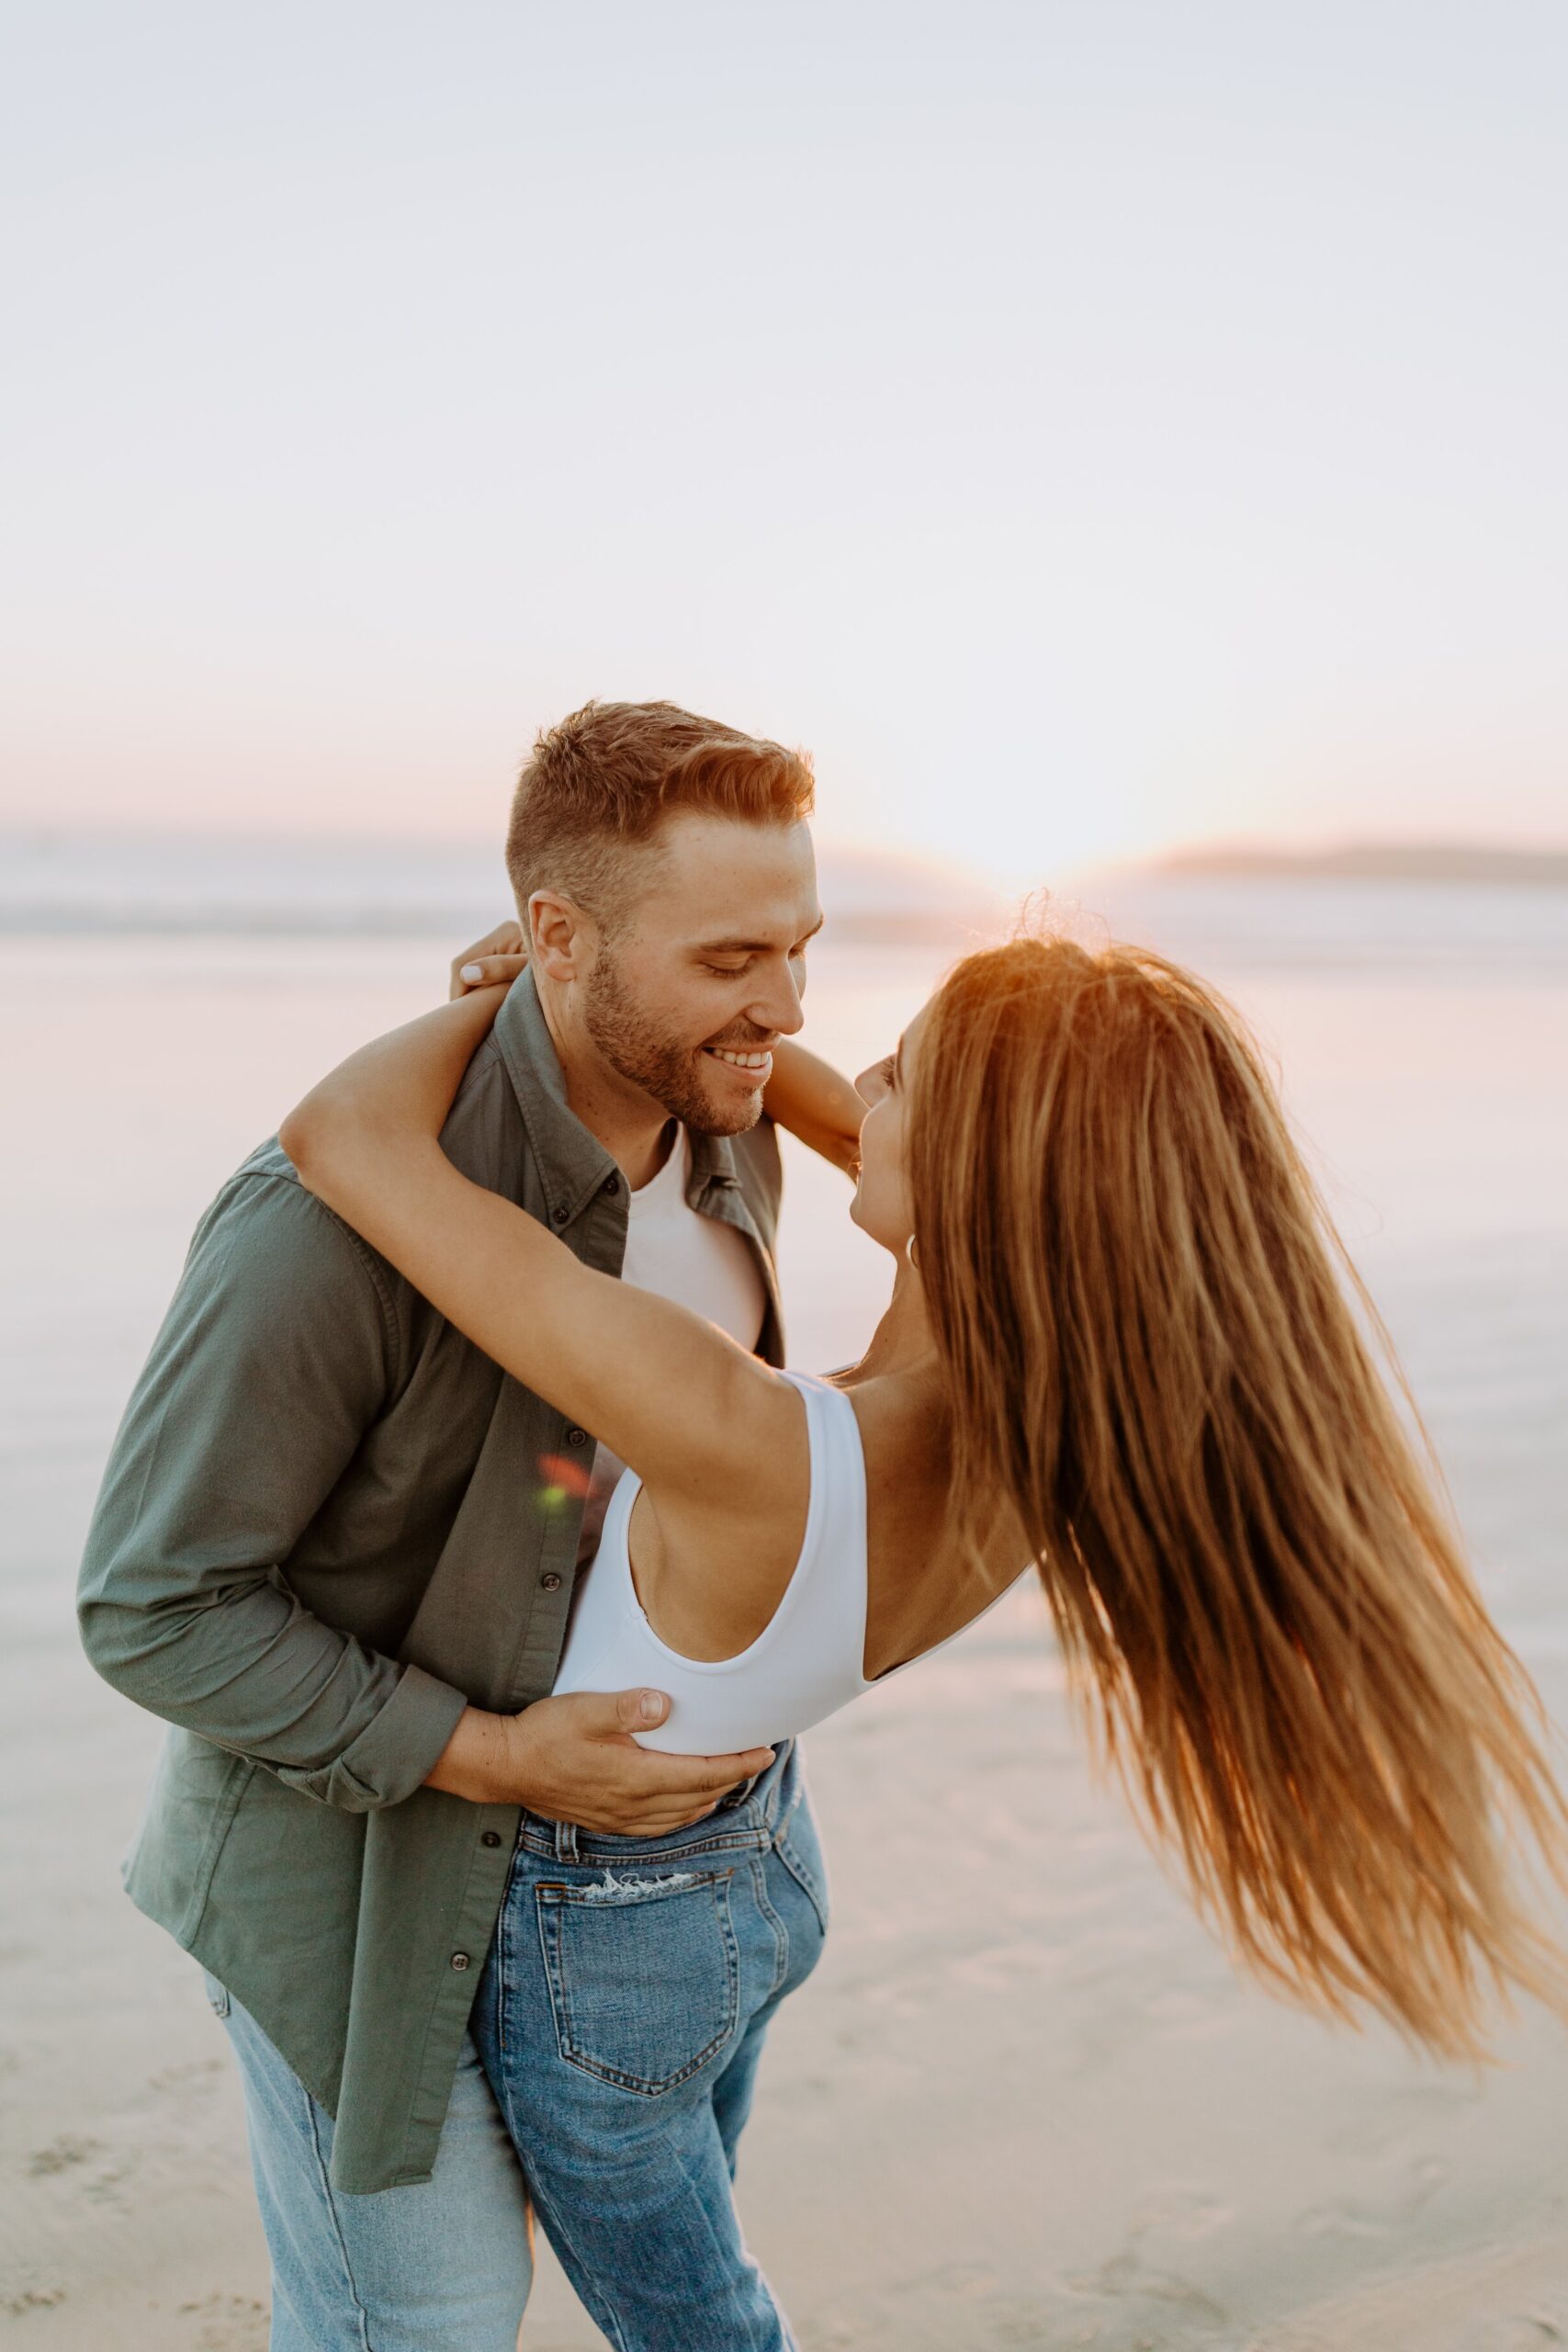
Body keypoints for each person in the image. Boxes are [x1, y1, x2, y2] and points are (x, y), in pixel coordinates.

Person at [281, 924, 1568, 2352]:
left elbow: (346, 1140)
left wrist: (537, 994)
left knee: (710, 2331)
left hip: (608, 1941)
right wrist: (650, 1008)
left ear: (971, 1170)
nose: (846, 1083)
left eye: (902, 1077)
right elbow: (859, 1121)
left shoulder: (740, 1434)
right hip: (754, 1885)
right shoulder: (1046, 1427)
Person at [77, 699, 846, 2352]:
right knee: (417, 2332)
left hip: (652, 1901)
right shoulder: (326, 1232)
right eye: (729, 959)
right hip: (363, 1888)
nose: (783, 1006)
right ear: (559, 940)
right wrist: (504, 1759)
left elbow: (593, 1489)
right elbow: (154, 1606)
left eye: (802, 945)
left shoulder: (735, 1134)